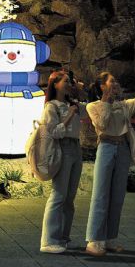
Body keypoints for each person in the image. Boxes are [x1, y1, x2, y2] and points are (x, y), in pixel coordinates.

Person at [85, 71, 135, 256]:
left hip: (123, 149)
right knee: (100, 194)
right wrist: (106, 101)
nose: (116, 84)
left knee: (118, 196)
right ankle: (94, 240)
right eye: (112, 81)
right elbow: (102, 123)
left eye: (116, 81)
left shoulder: (124, 105)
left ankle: (109, 238)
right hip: (106, 148)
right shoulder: (93, 106)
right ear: (102, 86)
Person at [40, 70, 87, 253]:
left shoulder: (72, 104)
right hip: (63, 148)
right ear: (55, 84)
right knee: (59, 194)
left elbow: (89, 109)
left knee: (69, 198)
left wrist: (79, 92)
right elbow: (54, 132)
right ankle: (48, 240)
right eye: (66, 81)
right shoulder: (51, 106)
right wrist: (69, 116)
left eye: (70, 81)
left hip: (75, 148)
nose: (69, 84)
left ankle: (63, 238)